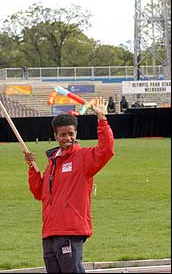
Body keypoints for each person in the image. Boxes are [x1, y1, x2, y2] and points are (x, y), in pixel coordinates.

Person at [24, 97, 114, 273]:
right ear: (56, 136)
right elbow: (39, 193)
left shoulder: (83, 158)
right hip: (50, 232)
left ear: (76, 134)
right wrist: (32, 168)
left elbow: (106, 150)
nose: (68, 138)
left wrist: (102, 120)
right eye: (63, 134)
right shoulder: (52, 162)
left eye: (71, 134)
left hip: (70, 231)